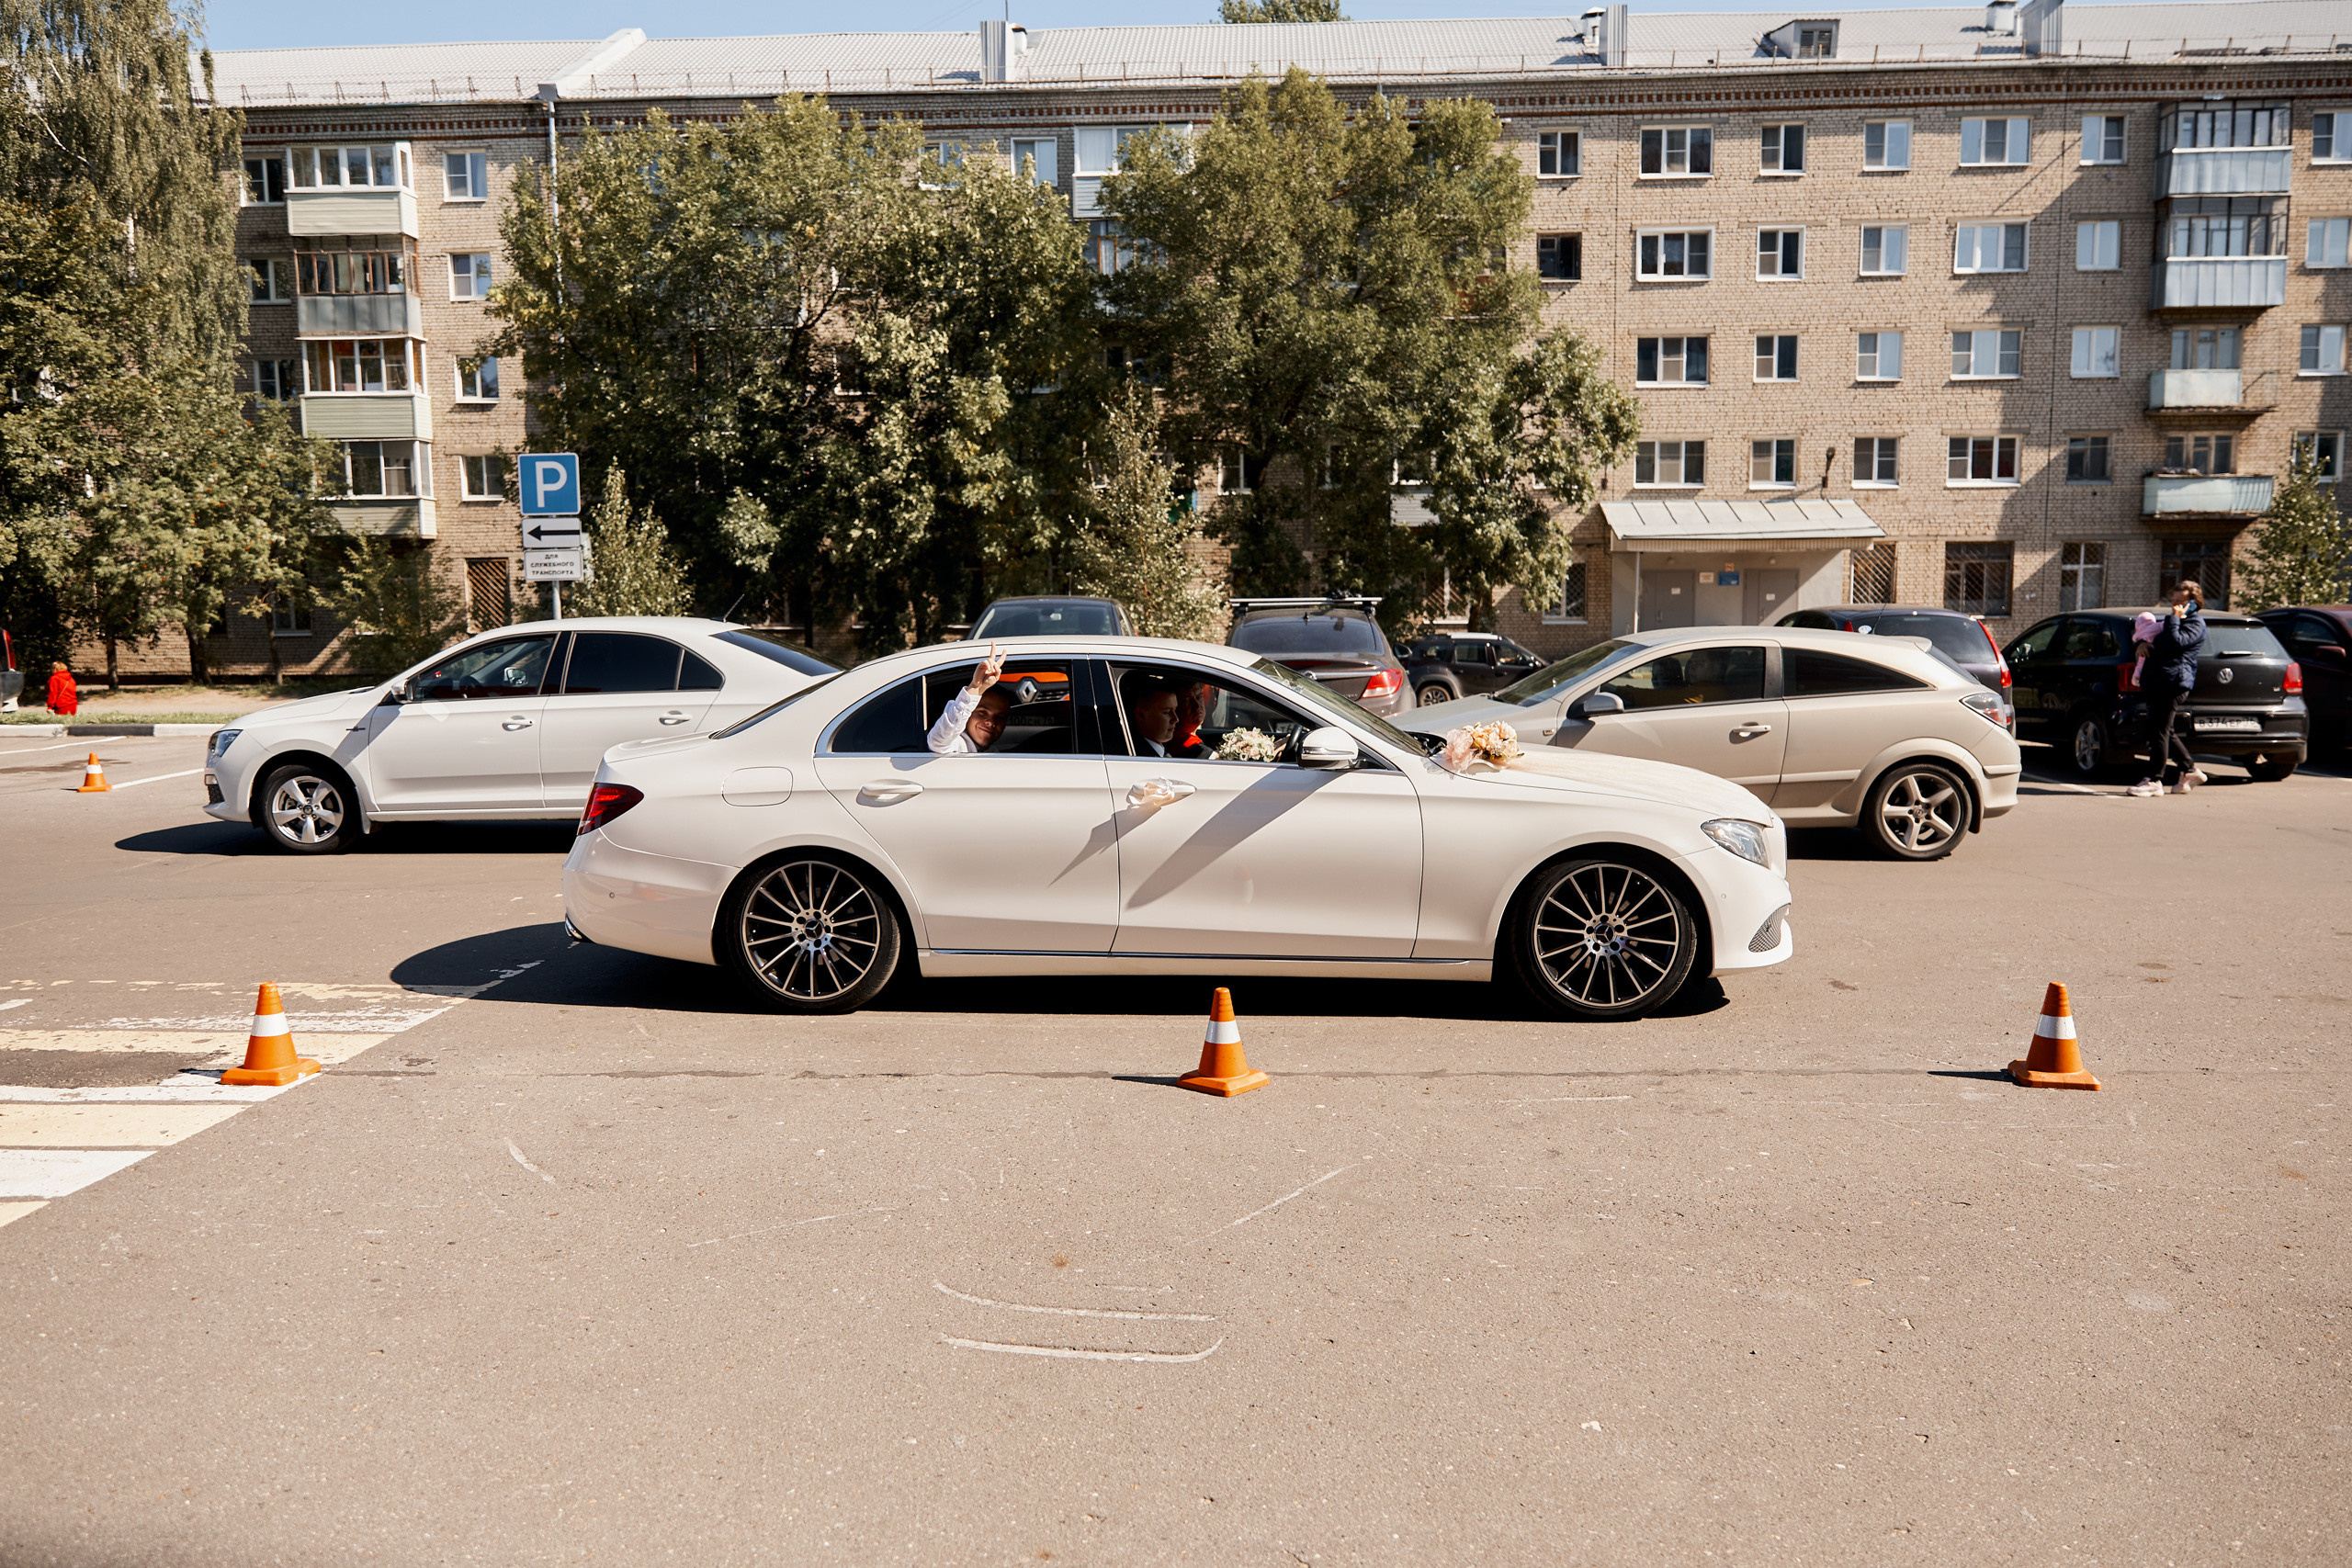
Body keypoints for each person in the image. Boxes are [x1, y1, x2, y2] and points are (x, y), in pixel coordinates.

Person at [2126, 580, 2208, 797]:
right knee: (2163, 729)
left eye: (2180, 602)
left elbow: (2175, 642)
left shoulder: (2195, 623)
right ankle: (2189, 770)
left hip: (2173, 682)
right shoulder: (2173, 621)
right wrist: (2140, 644)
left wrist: (2175, 618)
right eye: (2173, 601)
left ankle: (2154, 779)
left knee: (2158, 731)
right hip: (2159, 680)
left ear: (2193, 603)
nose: (2174, 606)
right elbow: (2153, 639)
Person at [925, 644, 1012, 755]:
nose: (991, 723)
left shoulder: (992, 752)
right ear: (969, 713)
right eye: (982, 712)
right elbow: (938, 742)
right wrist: (975, 688)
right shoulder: (956, 745)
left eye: (1000, 717)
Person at [1127, 676, 1206, 759]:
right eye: (1167, 712)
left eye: (1175, 710)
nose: (1176, 719)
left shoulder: (1152, 751)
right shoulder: (1140, 757)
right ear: (1141, 714)